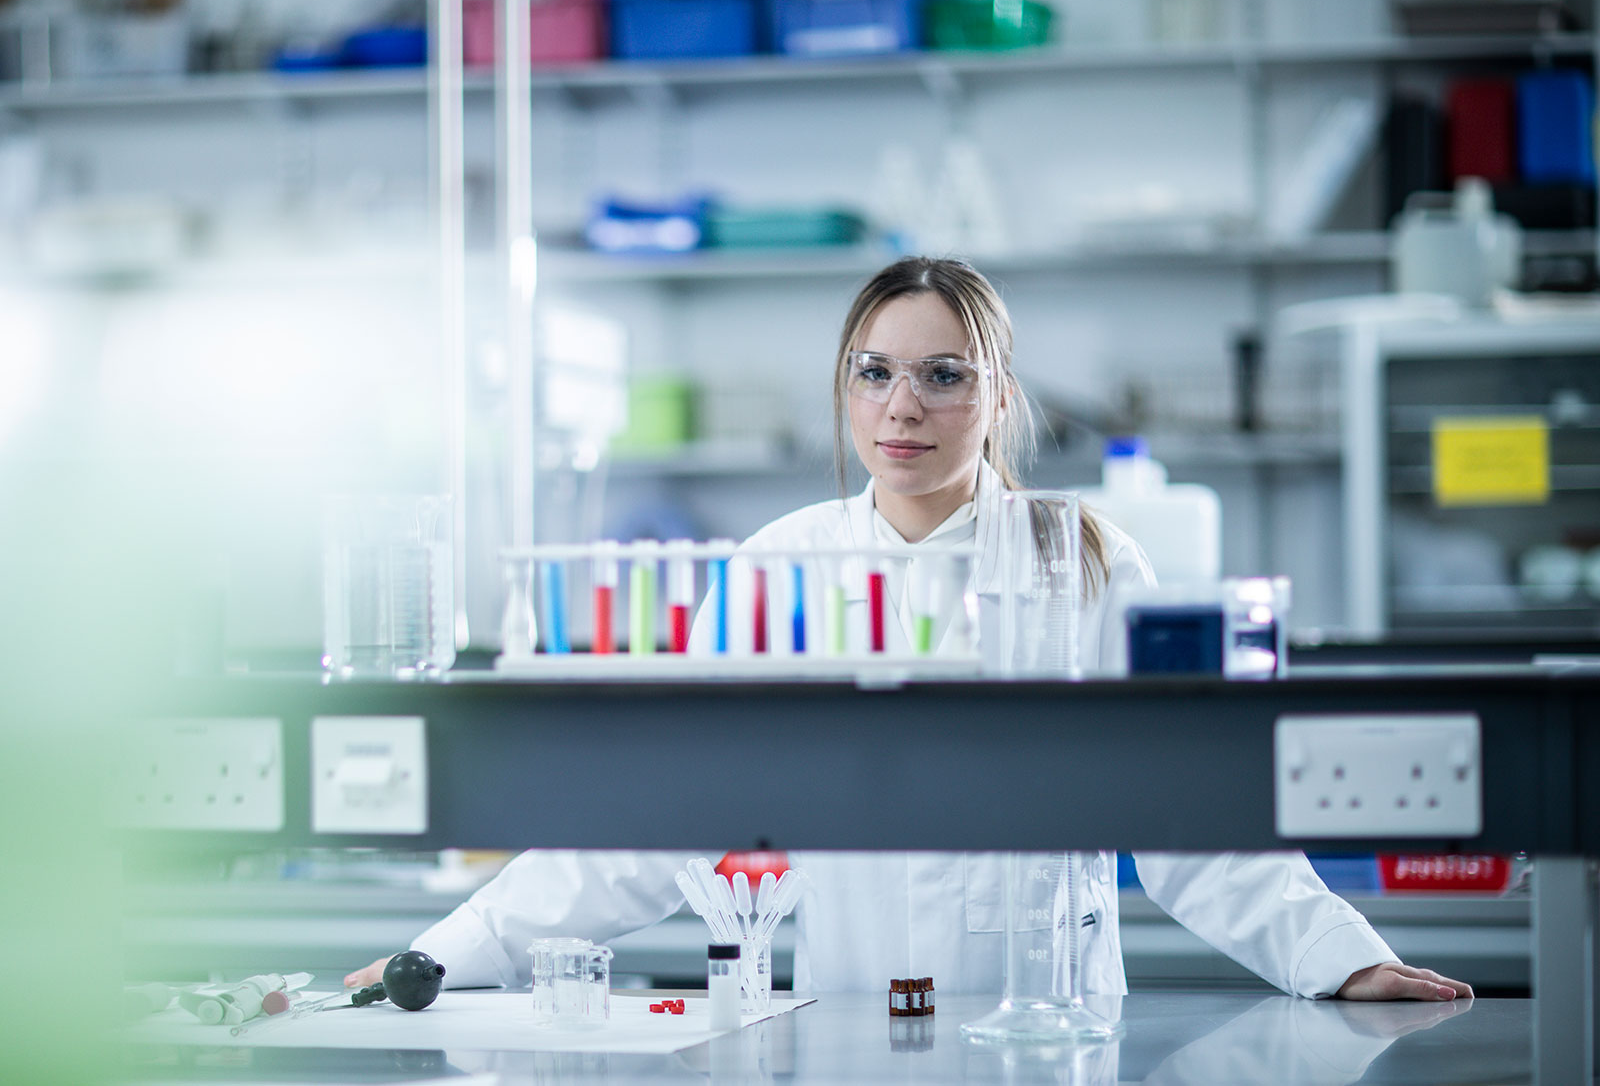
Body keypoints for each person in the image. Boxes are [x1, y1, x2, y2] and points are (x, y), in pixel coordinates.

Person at [349, 257, 1472, 1004]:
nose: (903, 407)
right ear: (845, 391)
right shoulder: (780, 569)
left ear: (996, 396)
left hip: (1052, 1035)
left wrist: (1344, 963)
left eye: (943, 376)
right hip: (845, 1036)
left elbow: (1189, 818)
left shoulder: (1081, 557)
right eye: (874, 374)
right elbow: (659, 822)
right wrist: (443, 953)